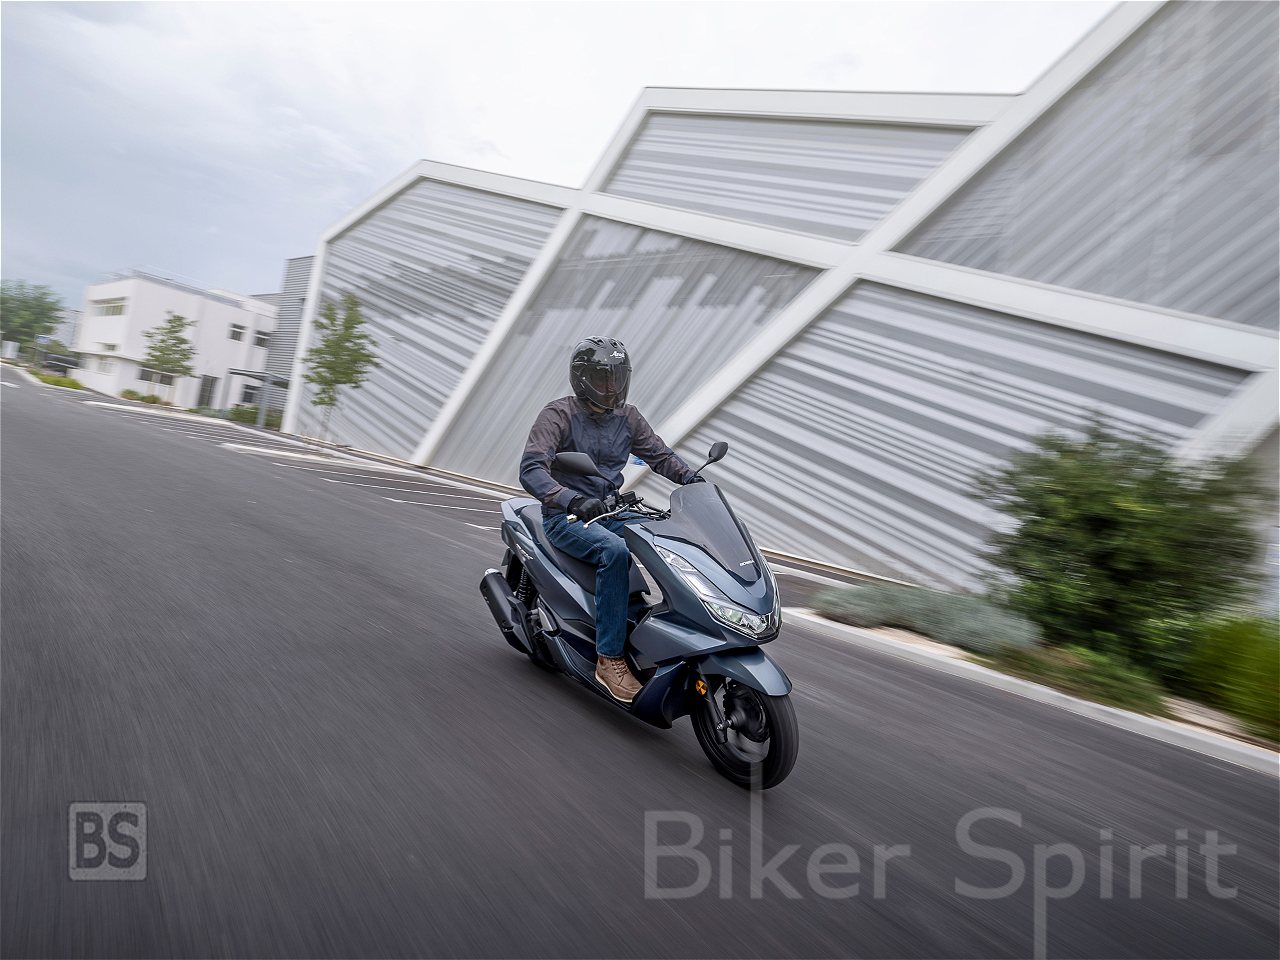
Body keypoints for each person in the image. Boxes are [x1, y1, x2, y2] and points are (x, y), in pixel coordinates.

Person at [519, 337, 703, 703]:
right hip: (567, 515)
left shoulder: (628, 417)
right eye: (603, 377)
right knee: (614, 552)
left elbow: (660, 455)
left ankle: (680, 626)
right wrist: (571, 498)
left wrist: (693, 480)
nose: (611, 386)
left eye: (617, 377)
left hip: (611, 509)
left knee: (672, 539)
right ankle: (609, 659)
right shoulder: (558, 414)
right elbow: (532, 469)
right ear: (582, 379)